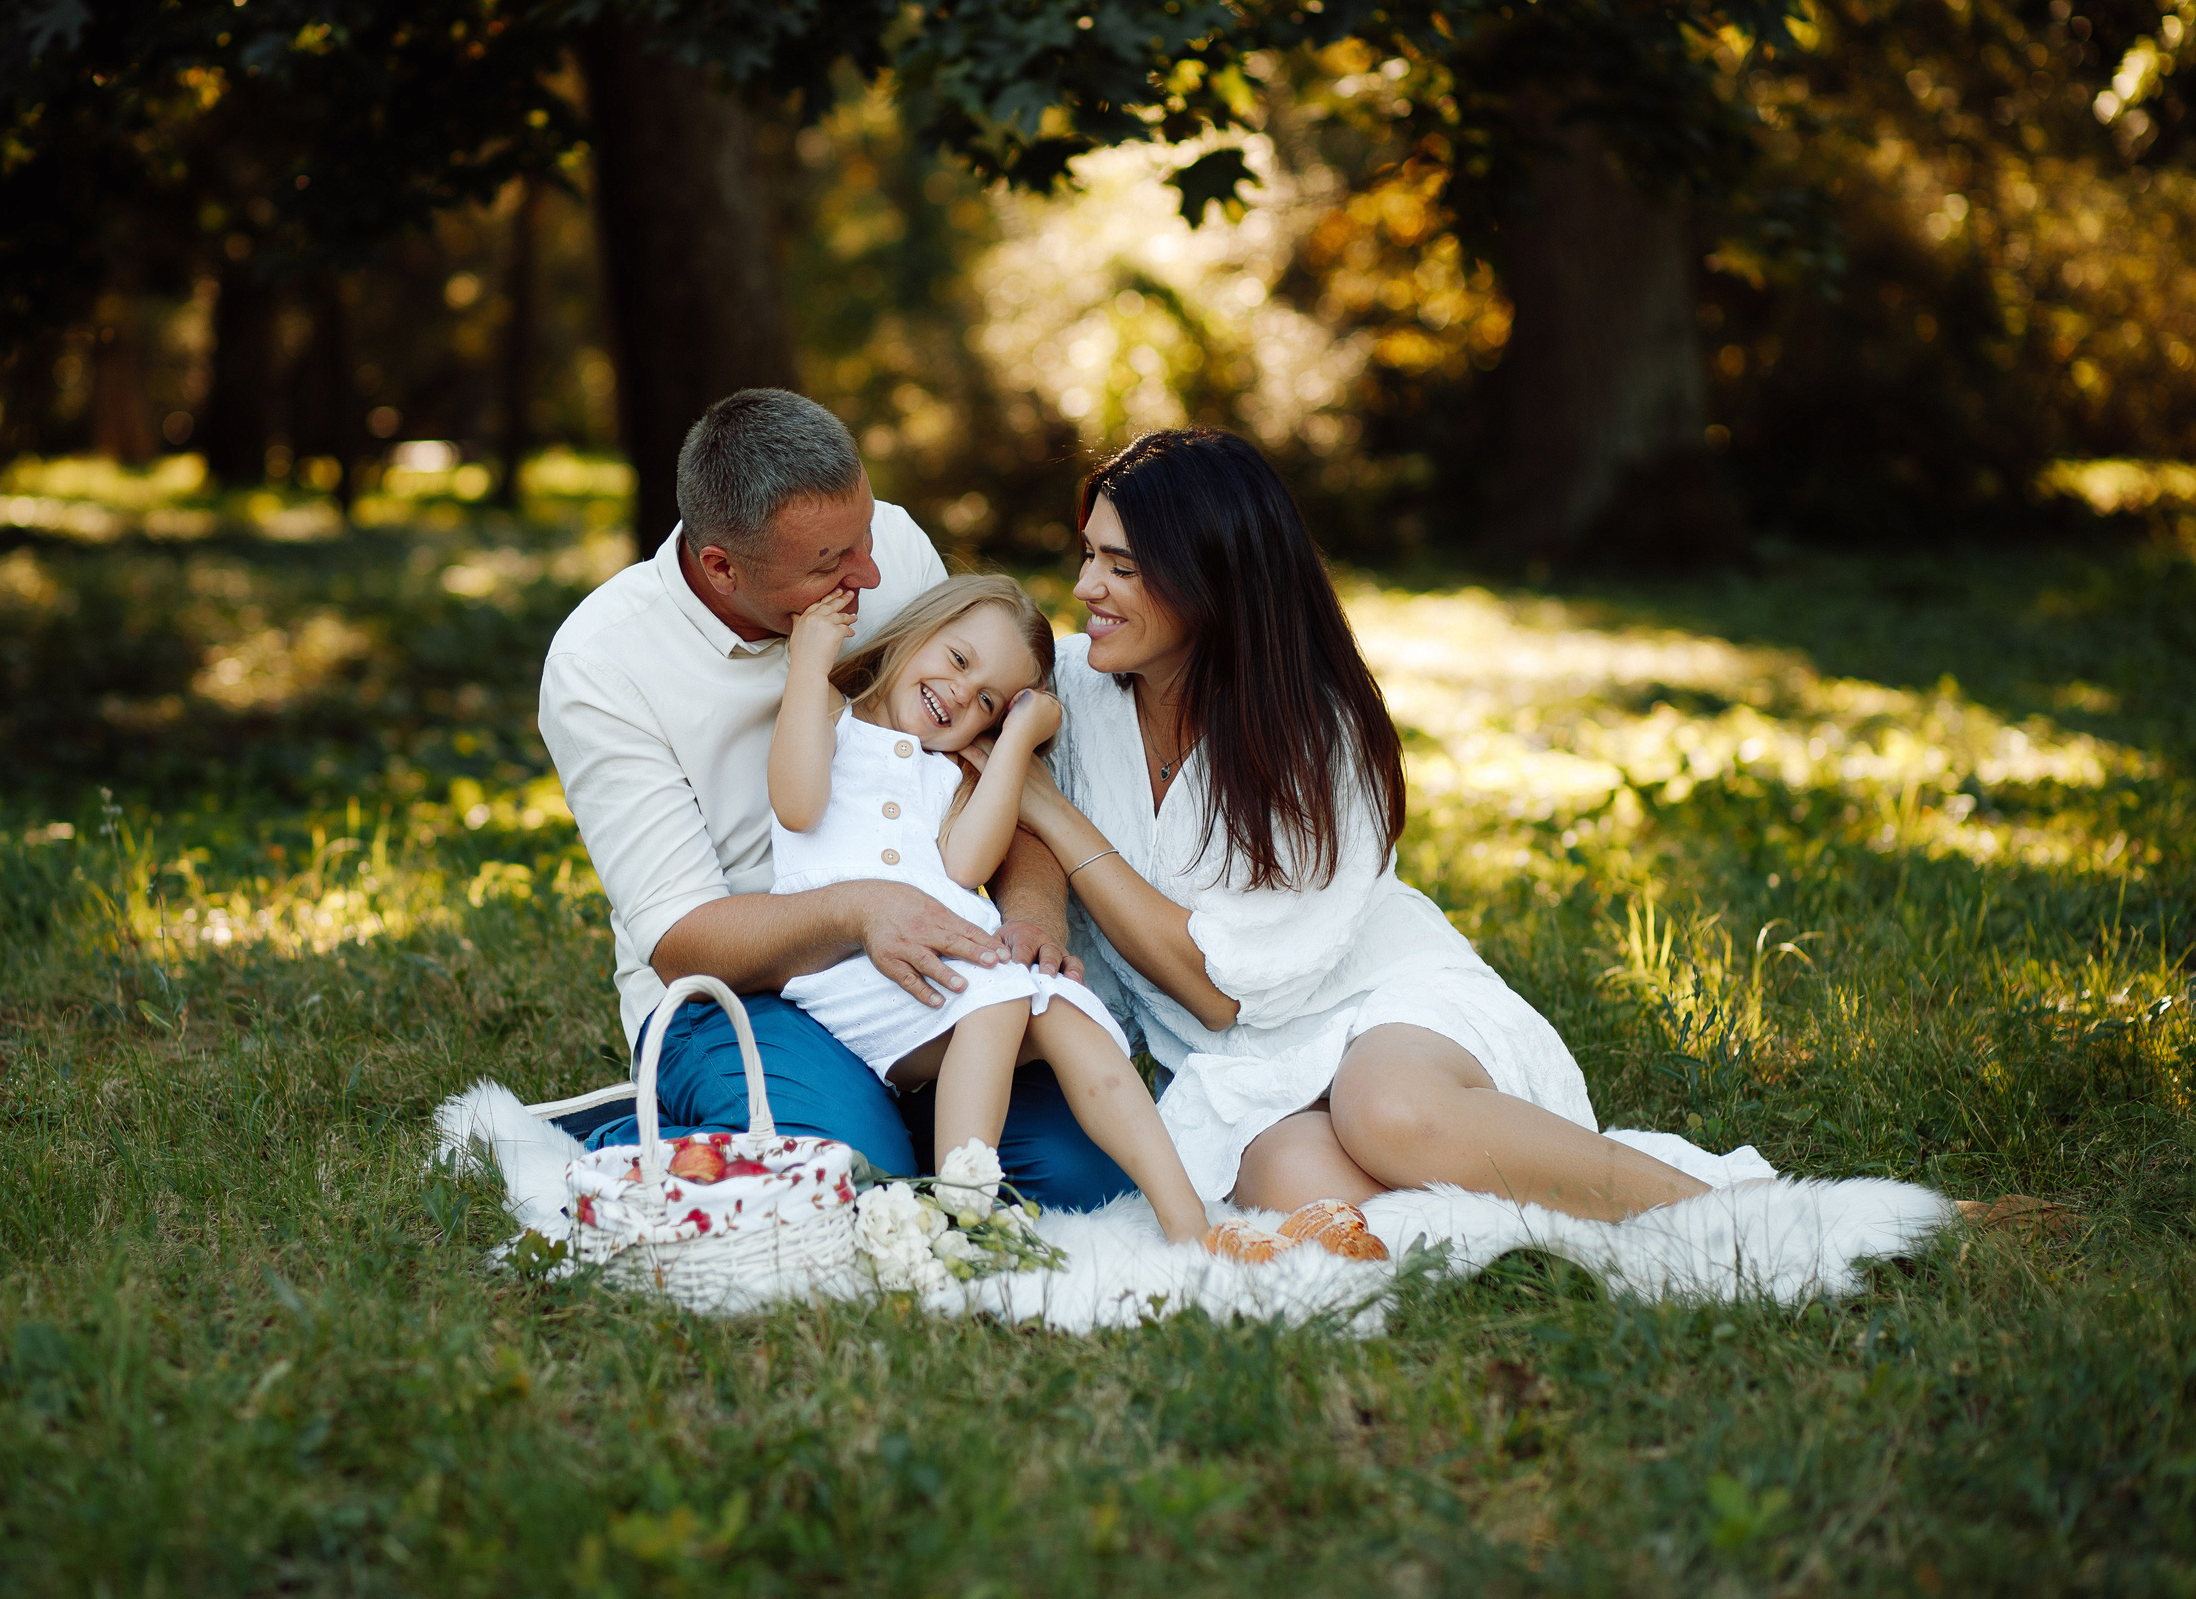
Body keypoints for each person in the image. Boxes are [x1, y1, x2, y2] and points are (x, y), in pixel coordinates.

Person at [1001, 427, 1719, 1228]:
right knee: (1296, 1180)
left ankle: (1718, 1216)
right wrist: (1034, 902)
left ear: (1213, 578)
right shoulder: (1071, 684)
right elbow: (998, 786)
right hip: (1241, 1072)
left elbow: (1215, 988)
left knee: (1388, 1112)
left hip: (1381, 1007)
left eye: (1122, 568)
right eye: (1089, 554)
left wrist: (1052, 810)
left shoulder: (1315, 734)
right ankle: (1551, 1206)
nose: (1087, 585)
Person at [536, 387, 1136, 1208]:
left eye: (866, 536)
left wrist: (1032, 912)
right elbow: (682, 940)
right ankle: (628, 1136)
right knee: (850, 1175)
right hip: (741, 989)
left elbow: (996, 769)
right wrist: (860, 910)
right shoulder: (602, 664)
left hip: (933, 961)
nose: (873, 573)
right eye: (831, 565)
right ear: (722, 566)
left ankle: (876, 1114)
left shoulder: (880, 548)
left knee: (1086, 1175)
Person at [769, 572, 1278, 1254]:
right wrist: (809, 660)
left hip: (950, 967)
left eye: (987, 701)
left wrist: (1012, 744)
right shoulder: (831, 711)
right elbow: (797, 803)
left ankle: (1189, 1224)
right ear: (917, 630)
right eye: (956, 658)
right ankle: (961, 1214)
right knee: (1001, 996)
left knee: (1068, 1007)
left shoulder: (948, 769)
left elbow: (966, 867)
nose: (959, 692)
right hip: (851, 965)